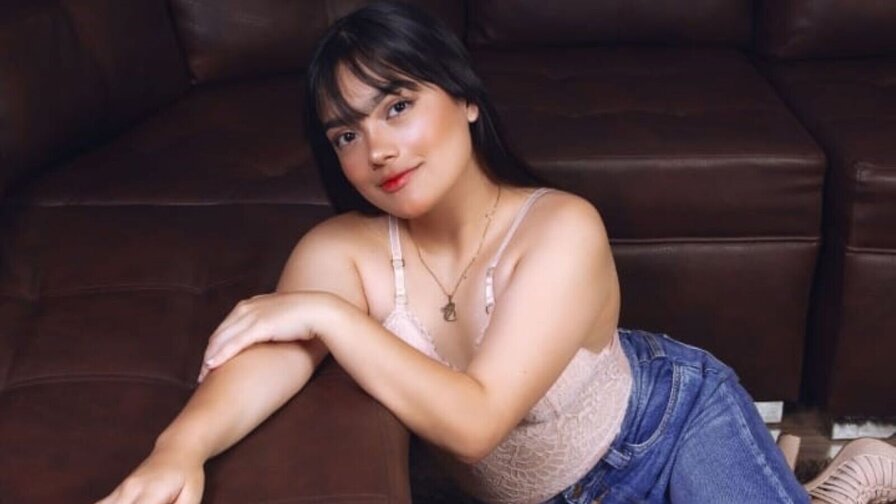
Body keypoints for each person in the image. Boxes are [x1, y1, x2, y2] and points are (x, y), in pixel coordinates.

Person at [97, 2, 896, 503]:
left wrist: (326, 316)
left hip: (666, 430)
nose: (377, 150)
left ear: (467, 100)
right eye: (345, 134)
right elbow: (270, 362)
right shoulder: (344, 250)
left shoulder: (561, 227)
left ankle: (835, 477)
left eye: (397, 106)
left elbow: (476, 422)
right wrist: (179, 451)